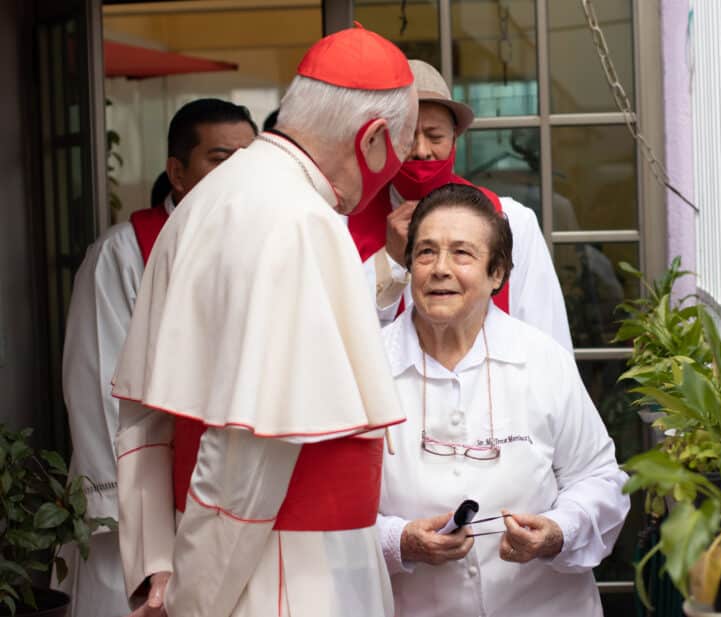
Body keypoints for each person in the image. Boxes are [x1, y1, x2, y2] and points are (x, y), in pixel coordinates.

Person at [111, 26, 417, 617]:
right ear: (373, 140)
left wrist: (158, 565)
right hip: (280, 571)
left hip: (209, 549)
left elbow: (145, 411)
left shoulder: (207, 197)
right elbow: (248, 453)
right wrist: (193, 601)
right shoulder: (297, 218)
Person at [377, 183, 629, 616]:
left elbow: (600, 479)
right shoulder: (366, 367)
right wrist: (397, 542)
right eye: (425, 253)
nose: (440, 269)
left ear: (497, 274)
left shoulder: (542, 360)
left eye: (462, 254)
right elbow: (327, 512)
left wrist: (558, 531)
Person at [55, 98, 257, 617]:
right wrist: (136, 526)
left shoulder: (261, 249)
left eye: (248, 159)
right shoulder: (122, 254)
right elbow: (101, 384)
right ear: (177, 172)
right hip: (139, 502)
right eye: (219, 158)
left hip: (226, 493)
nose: (237, 173)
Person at [348, 59, 572, 351]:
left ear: (455, 139)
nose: (421, 151)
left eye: (435, 136)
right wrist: (389, 260)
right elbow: (337, 334)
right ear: (384, 141)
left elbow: (546, 336)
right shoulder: (345, 220)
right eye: (407, 137)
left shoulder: (510, 220)